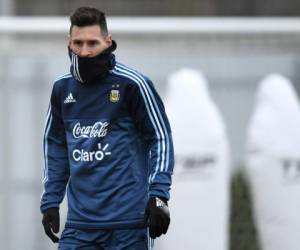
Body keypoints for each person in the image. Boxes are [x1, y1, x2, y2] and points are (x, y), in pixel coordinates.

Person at [40, 6, 174, 250]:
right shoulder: (61, 89)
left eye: (93, 43)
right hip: (80, 226)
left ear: (108, 41)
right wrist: (50, 200)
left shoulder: (133, 85)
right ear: (69, 43)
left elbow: (161, 138)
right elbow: (55, 146)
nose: (85, 51)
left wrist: (158, 195)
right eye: (78, 43)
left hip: (129, 226)